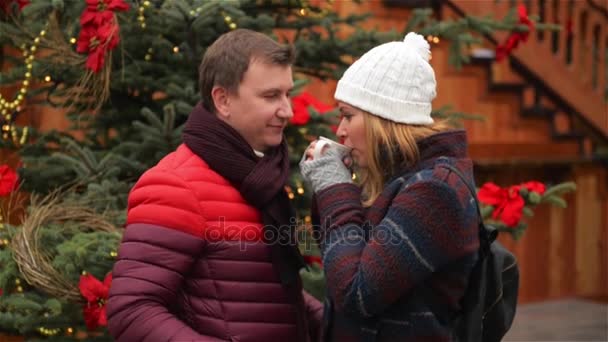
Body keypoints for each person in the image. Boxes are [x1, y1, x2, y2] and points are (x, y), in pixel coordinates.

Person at [107, 29, 322, 342]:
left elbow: (260, 293)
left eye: (287, 94)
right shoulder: (175, 185)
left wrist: (331, 324)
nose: (287, 110)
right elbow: (132, 310)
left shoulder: (260, 177)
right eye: (270, 96)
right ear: (223, 100)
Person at [299, 32, 480, 341]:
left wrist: (333, 186)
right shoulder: (402, 177)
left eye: (348, 116)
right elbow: (344, 258)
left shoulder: (435, 190)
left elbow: (355, 294)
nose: (340, 130)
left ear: (382, 118)